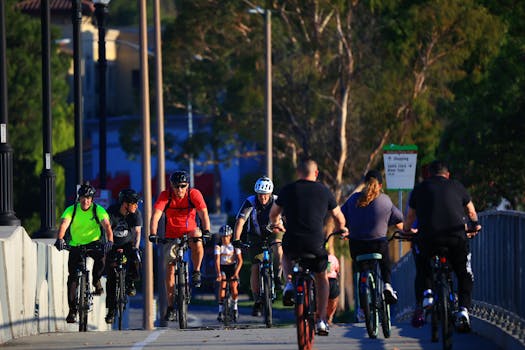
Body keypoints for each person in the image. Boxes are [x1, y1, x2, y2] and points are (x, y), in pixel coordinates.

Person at [268, 159, 348, 336]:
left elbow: (273, 214)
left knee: (286, 254)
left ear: (298, 173)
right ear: (316, 173)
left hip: (293, 242)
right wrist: (342, 229)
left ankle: (289, 283)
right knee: (321, 277)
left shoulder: (288, 189)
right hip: (315, 244)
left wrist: (277, 224)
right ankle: (321, 320)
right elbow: (339, 218)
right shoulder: (324, 191)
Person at [403, 160, 481, 333]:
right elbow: (471, 212)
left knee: (422, 263)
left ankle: (428, 294)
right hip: (455, 238)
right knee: (464, 272)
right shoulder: (457, 186)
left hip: (428, 239)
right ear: (448, 175)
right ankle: (463, 310)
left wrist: (407, 231)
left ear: (429, 174)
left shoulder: (420, 188)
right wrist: (474, 225)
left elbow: (409, 217)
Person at [149, 170, 211, 321]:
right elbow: (156, 215)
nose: (180, 190)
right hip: (171, 236)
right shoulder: (166, 195)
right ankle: (171, 306)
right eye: (176, 186)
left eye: (183, 186)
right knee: (169, 272)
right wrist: (153, 233)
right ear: (171, 186)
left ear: (188, 185)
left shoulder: (194, 194)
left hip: (190, 232)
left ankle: (196, 271)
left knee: (198, 237)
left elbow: (203, 213)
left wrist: (207, 230)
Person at [341, 170, 403, 305]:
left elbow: (340, 217)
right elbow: (399, 219)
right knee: (384, 260)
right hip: (378, 245)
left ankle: (363, 307)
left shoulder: (353, 199)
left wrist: (345, 229)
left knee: (362, 268)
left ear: (364, 184)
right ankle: (387, 285)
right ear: (380, 185)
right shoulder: (385, 200)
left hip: (357, 246)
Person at [54, 183, 114, 324]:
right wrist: (60, 239)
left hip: (94, 243)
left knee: (101, 258)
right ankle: (72, 311)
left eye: (88, 198)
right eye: (82, 198)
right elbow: (64, 224)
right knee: (72, 278)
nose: (85, 201)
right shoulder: (72, 210)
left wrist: (110, 240)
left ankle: (96, 280)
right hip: (76, 244)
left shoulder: (98, 210)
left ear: (92, 199)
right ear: (78, 198)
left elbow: (107, 225)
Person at [232, 176, 283, 317]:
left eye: (265, 194)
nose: (263, 198)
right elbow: (240, 221)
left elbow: (287, 218)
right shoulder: (250, 202)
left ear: (270, 194)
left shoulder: (278, 201)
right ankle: (257, 301)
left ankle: (278, 276)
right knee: (255, 267)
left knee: (278, 247)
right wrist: (236, 239)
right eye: (260, 194)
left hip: (274, 232)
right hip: (255, 236)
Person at [104, 188, 143, 324]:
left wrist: (136, 248)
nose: (137, 205)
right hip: (113, 244)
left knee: (136, 258)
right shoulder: (112, 211)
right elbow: (107, 228)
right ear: (125, 203)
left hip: (128, 244)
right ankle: (111, 310)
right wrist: (107, 244)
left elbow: (137, 232)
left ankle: (130, 282)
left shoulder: (135, 214)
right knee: (111, 279)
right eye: (134, 203)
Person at [215, 224, 243, 322]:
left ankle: (235, 308)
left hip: (232, 268)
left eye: (226, 236)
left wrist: (236, 273)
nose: (224, 239)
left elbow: (240, 261)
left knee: (233, 286)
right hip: (222, 267)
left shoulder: (234, 246)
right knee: (222, 284)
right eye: (222, 236)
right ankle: (220, 310)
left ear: (230, 236)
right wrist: (218, 273)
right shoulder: (218, 246)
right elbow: (217, 261)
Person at [326, 250, 340, 326]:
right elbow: (337, 270)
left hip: (325, 280)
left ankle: (322, 317)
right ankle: (329, 317)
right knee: (334, 299)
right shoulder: (333, 258)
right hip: (332, 280)